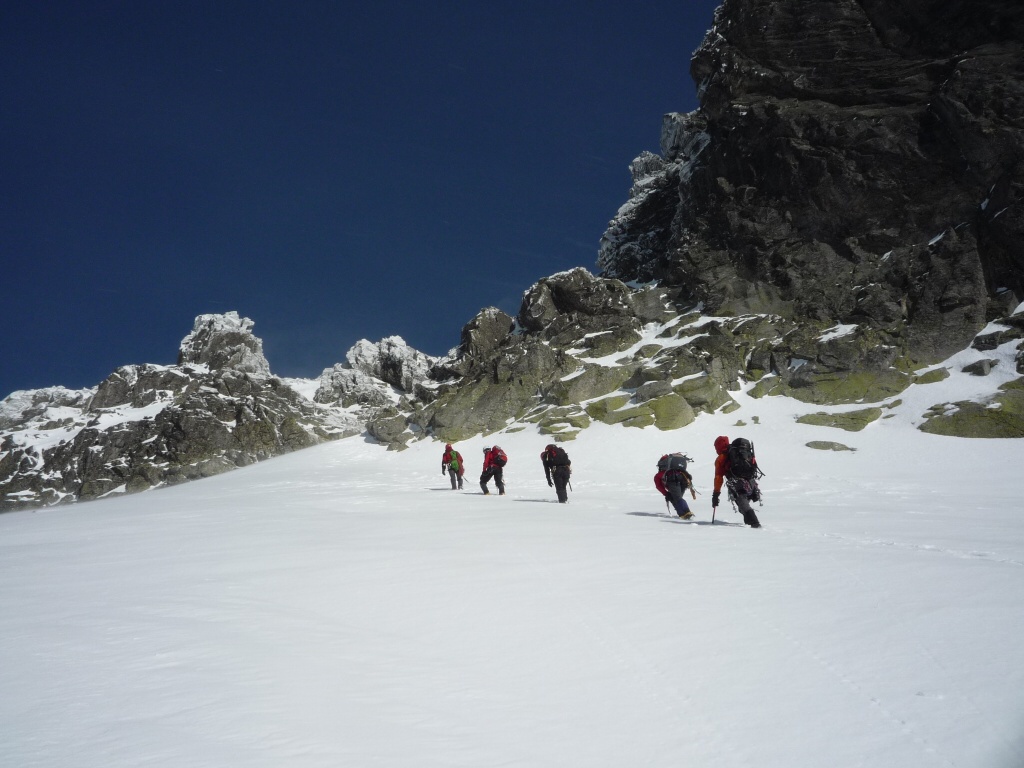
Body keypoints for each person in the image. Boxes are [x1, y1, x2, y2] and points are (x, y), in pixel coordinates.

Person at [711, 435, 762, 528]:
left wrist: (716, 494)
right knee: (742, 505)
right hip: (751, 482)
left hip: (737, 483)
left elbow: (718, 477)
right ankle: (749, 519)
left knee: (742, 503)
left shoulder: (722, 458)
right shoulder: (742, 452)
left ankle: (754, 523)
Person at [654, 452, 694, 519]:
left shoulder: (660, 475)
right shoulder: (678, 470)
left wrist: (666, 494)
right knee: (676, 498)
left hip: (673, 480)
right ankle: (682, 514)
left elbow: (659, 486)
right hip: (684, 479)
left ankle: (686, 512)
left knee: (677, 498)